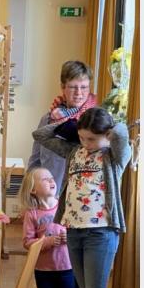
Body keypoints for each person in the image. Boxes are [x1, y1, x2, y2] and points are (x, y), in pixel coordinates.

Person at [32, 107, 130, 288]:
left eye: (91, 139)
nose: (85, 143)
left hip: (101, 233)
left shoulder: (114, 155)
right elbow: (39, 134)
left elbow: (122, 133)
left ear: (106, 135)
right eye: (82, 137)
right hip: (73, 230)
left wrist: (107, 125)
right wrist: (71, 122)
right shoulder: (74, 151)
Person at [20, 167, 80, 288]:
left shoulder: (65, 206)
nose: (51, 181)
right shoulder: (32, 214)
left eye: (52, 177)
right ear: (33, 189)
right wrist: (46, 242)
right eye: (45, 179)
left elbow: (76, 230)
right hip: (43, 270)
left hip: (67, 268)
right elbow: (27, 242)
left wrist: (67, 236)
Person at [28, 61, 97, 193]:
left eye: (84, 87)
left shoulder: (94, 123)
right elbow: (35, 160)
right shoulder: (48, 119)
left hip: (82, 196)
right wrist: (30, 192)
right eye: (73, 87)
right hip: (49, 196)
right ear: (63, 87)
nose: (79, 93)